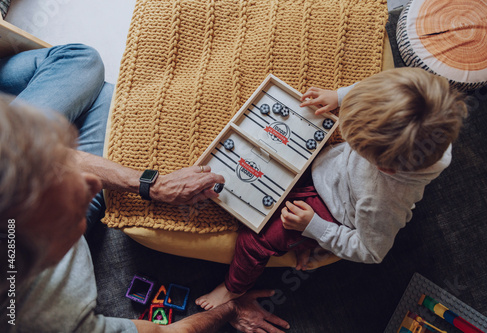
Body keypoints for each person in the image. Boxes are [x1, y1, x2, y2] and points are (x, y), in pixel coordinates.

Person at [0, 44, 289, 332]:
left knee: (83, 61)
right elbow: (164, 331)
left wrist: (153, 185)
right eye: (68, 213)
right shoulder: (53, 321)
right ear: (49, 261)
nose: (92, 182)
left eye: (55, 170)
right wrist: (231, 307)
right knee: (106, 97)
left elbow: (57, 158)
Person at [195, 67, 468, 310]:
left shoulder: (382, 200)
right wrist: (340, 96)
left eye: (357, 143)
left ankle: (234, 288)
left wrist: (315, 226)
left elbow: (372, 251)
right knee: (271, 155)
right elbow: (377, 90)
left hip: (332, 208)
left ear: (382, 167)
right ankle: (305, 243)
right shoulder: (426, 101)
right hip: (329, 168)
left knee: (255, 239)